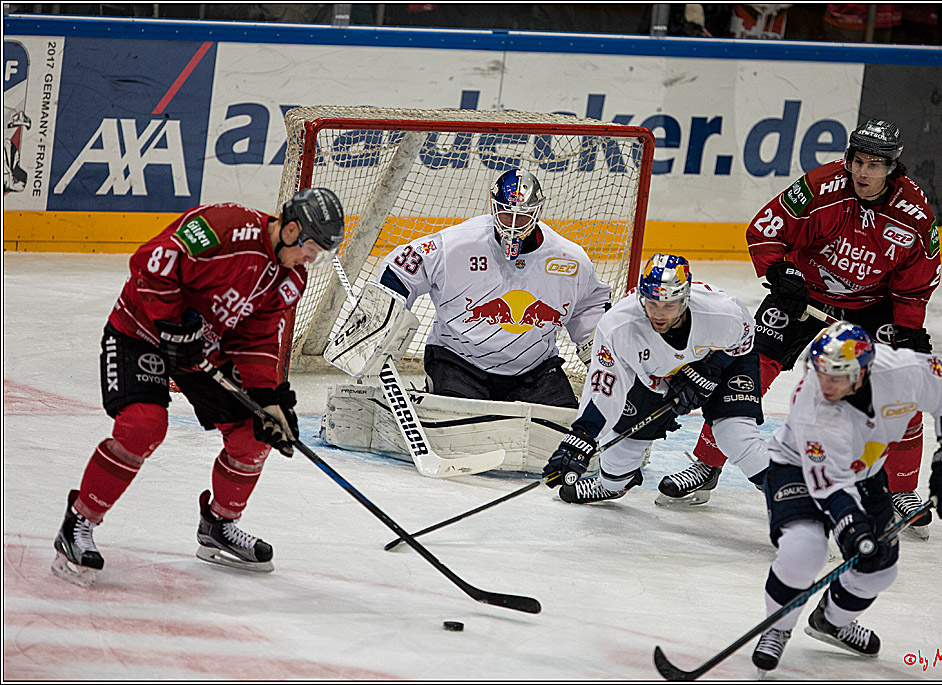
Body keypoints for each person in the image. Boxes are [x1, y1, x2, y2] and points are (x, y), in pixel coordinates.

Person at [51, 188, 346, 587]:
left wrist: (267, 398)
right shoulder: (224, 226)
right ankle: (79, 523)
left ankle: (219, 526)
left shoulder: (291, 279)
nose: (311, 260)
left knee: (253, 434)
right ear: (292, 230)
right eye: (311, 249)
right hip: (141, 331)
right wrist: (171, 323)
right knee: (143, 427)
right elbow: (150, 263)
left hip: (201, 350)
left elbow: (257, 338)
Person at [668, 119, 942, 538]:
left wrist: (908, 330)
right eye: (857, 162)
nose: (862, 173)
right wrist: (780, 273)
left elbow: (917, 281)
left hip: (871, 307)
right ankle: (706, 464)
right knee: (746, 371)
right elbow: (765, 228)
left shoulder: (915, 215)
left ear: (892, 168)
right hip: (804, 294)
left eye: (874, 165)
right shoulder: (819, 187)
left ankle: (900, 489)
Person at [750, 321, 942, 673]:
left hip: (866, 474)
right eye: (821, 372)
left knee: (879, 569)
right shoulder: (813, 404)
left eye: (837, 377)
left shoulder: (902, 371)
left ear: (863, 371)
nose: (826, 384)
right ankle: (777, 627)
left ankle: (832, 621)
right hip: (797, 468)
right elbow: (829, 485)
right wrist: (851, 526)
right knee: (803, 551)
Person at [541, 254, 769, 504]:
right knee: (616, 467)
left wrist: (709, 369)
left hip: (722, 362)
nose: (659, 314)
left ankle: (785, 493)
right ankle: (612, 485)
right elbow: (604, 389)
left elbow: (745, 336)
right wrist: (581, 437)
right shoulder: (618, 327)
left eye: (668, 306)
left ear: (685, 299)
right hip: (656, 374)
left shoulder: (720, 312)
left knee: (736, 435)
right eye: (652, 304)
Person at [377, 168, 611, 408]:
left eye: (522, 216)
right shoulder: (457, 243)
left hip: (534, 371)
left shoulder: (570, 259)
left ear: (538, 211)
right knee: (461, 421)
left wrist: (607, 367)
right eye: (506, 214)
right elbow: (400, 269)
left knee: (563, 423)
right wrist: (380, 326)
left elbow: (590, 307)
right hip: (459, 363)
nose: (513, 225)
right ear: (493, 205)